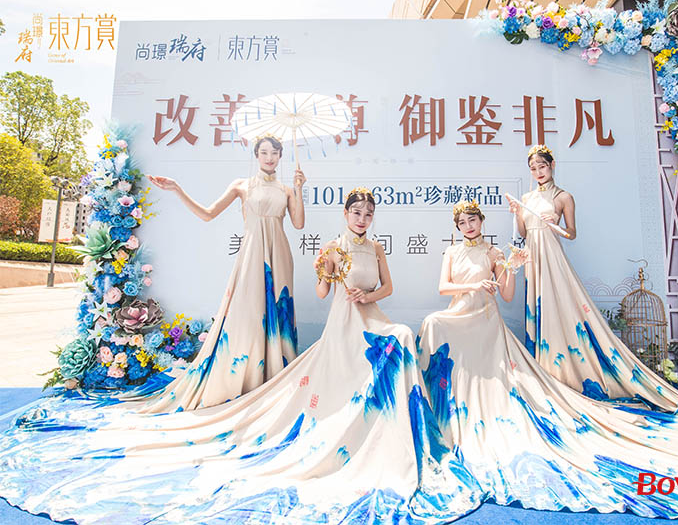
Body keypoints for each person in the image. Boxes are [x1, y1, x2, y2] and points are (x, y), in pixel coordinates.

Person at [0, 187, 482, 525]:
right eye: (356, 212)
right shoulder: (333, 247)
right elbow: (320, 292)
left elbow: (387, 288)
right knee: (387, 346)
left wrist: (367, 294)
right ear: (345, 214)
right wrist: (330, 275)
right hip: (344, 323)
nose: (362, 218)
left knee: (400, 335)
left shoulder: (375, 247)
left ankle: (395, 430)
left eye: (367, 213)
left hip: (372, 315)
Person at [417, 199, 678, 519]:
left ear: (481, 221)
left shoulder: (496, 253)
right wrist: (474, 283)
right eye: (462, 222)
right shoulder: (451, 251)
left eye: (473, 220)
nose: (468, 226)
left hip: (486, 322)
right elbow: (442, 287)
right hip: (458, 316)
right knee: (433, 324)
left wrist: (510, 269)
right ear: (457, 226)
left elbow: (506, 295)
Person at [509, 144, 678, 410]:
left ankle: (565, 367)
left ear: (552, 165)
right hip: (533, 259)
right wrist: (516, 214)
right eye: (533, 169)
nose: (538, 172)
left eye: (542, 166)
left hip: (552, 256)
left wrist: (554, 225)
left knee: (559, 305)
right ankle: (542, 369)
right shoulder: (527, 197)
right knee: (538, 307)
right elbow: (523, 233)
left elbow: (572, 233)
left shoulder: (563, 197)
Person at [139, 134, 304, 412]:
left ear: (280, 156)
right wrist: (177, 189)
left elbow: (298, 224)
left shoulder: (286, 190)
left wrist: (299, 189)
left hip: (280, 256)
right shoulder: (241, 185)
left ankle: (276, 377)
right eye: (264, 152)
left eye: (275, 153)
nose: (269, 158)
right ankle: (245, 377)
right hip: (252, 255)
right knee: (248, 315)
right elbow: (208, 214)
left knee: (279, 312)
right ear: (256, 155)